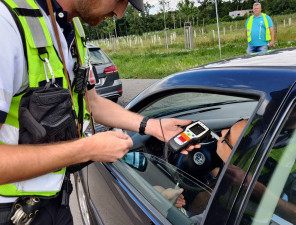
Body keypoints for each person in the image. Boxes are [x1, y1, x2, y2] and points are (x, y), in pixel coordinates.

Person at [0, 0, 200, 224]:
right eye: (120, 0)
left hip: (55, 202)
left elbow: (92, 102)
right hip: (10, 211)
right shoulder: (6, 24)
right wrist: (87, 149)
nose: (120, 13)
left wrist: (153, 126)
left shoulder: (71, 29)